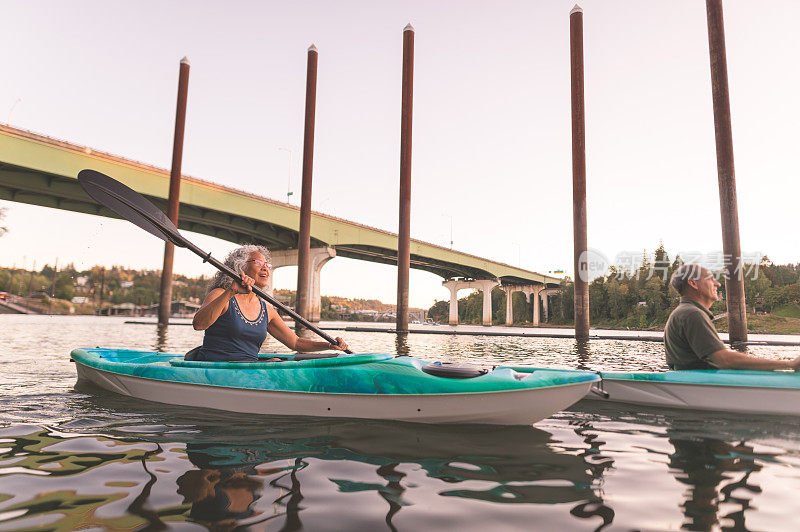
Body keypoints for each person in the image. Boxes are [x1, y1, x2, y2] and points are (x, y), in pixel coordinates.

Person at [192, 244, 348, 361]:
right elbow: (199, 325)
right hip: (213, 369)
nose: (266, 269)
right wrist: (231, 291)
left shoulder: (266, 308)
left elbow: (296, 342)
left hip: (249, 370)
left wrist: (328, 345)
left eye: (267, 265)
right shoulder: (221, 295)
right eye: (258, 263)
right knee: (275, 362)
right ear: (240, 266)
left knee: (277, 362)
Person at [665, 264, 800, 370]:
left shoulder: (684, 312)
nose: (717, 284)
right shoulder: (692, 314)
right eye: (710, 279)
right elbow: (724, 359)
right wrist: (789, 364)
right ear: (693, 283)